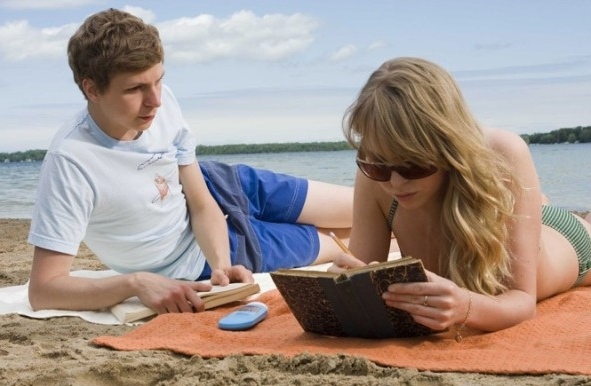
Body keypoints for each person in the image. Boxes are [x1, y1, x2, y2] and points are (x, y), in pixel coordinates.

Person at [27, 8, 353, 315]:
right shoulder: (71, 163)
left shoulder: (160, 100)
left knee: (362, 208)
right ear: (92, 90)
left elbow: (199, 201)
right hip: (194, 260)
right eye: (136, 88)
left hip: (226, 188)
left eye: (158, 80)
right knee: (350, 244)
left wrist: (223, 263)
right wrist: (134, 282)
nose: (155, 100)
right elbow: (44, 290)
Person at [331, 57, 591, 336]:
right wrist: (347, 283)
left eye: (413, 165)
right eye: (378, 165)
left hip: (570, 244)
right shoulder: (373, 177)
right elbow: (361, 274)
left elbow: (523, 303)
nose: (395, 182)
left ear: (448, 147)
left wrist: (464, 306)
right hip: (510, 214)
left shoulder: (503, 154)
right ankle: (535, 202)